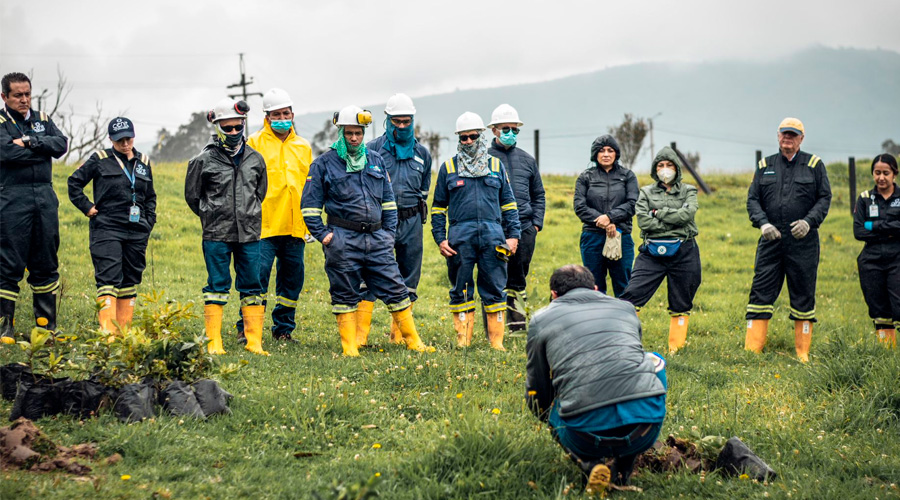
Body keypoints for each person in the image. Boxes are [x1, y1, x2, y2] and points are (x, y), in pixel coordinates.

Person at [301, 105, 431, 357]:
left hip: (377, 238)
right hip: (342, 239)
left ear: (363, 133)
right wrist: (325, 236)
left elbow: (389, 202)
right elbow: (309, 206)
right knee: (345, 291)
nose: (354, 138)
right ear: (340, 133)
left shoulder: (375, 160)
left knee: (396, 288)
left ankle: (413, 340)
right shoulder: (324, 164)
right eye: (349, 133)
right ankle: (350, 346)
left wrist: (388, 233)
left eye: (358, 133)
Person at [525, 264, 667, 494]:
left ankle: (590, 464)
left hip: (584, 436)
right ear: (595, 287)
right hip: (646, 427)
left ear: (553, 295)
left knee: (551, 400)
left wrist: (545, 415)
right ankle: (623, 468)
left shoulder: (541, 319)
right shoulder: (626, 308)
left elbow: (537, 385)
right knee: (655, 361)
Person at [185, 97, 268, 356]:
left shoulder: (256, 159)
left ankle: (254, 342)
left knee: (253, 287)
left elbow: (260, 192)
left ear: (243, 125)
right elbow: (192, 196)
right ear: (217, 127)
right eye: (227, 128)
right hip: (216, 234)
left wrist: (247, 214)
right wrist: (212, 216)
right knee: (217, 285)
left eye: (237, 127)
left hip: (250, 234)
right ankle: (214, 342)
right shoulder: (202, 160)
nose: (233, 133)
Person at [431, 111, 520, 349]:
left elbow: (509, 205)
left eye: (472, 136)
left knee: (495, 288)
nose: (468, 141)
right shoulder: (448, 168)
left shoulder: (495, 165)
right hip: (460, 237)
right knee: (461, 288)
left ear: (481, 136)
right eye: (463, 138)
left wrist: (513, 236)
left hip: (494, 236)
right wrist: (440, 238)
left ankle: (496, 343)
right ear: (458, 139)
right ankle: (463, 341)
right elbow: (438, 208)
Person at [745, 117, 831, 362]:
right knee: (760, 290)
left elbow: (824, 198)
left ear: (801, 139)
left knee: (803, 292)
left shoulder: (814, 165)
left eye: (793, 135)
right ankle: (753, 350)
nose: (788, 139)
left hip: (803, 243)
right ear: (778, 135)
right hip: (771, 241)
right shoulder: (765, 165)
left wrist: (809, 222)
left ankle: (802, 352)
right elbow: (753, 199)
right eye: (784, 134)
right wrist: (763, 224)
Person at [234, 88, 312, 343]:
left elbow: (309, 185)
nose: (282, 117)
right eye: (276, 114)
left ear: (292, 114)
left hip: (294, 226)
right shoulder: (254, 143)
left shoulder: (303, 146)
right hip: (263, 225)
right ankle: (247, 329)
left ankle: (283, 330)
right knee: (256, 278)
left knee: (292, 281)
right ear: (267, 117)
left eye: (285, 113)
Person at [68, 117, 156, 332]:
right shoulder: (100, 159)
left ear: (134, 137)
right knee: (109, 278)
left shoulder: (144, 161)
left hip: (136, 230)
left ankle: (123, 334)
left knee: (130, 279)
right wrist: (87, 207)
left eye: (128, 139)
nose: (125, 144)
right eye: (119, 141)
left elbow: (150, 196)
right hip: (107, 227)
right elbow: (74, 182)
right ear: (111, 139)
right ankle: (108, 334)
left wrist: (148, 221)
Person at [357, 94, 432, 346]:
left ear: (412, 121)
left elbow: (424, 190)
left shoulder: (423, 153)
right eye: (396, 121)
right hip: (378, 224)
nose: (401, 126)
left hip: (411, 221)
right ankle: (360, 337)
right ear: (387, 121)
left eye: (406, 121)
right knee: (368, 275)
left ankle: (399, 336)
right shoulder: (372, 150)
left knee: (409, 278)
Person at [0, 72, 69, 344]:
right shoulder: (1, 122)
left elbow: (61, 144)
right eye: (18, 95)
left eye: (27, 94)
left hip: (44, 195)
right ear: (4, 97)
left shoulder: (43, 119)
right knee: (9, 261)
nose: (24, 99)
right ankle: (6, 327)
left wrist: (30, 142)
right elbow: (5, 153)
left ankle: (46, 326)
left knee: (46, 260)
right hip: (11, 198)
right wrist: (41, 152)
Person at [620, 146, 700, 354]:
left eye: (669, 165)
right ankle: (628, 343)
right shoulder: (645, 192)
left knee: (682, 299)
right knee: (632, 294)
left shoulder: (689, 190)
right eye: (661, 165)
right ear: (655, 169)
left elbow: (687, 215)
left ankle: (676, 348)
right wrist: (671, 219)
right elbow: (644, 223)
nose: (665, 169)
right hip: (651, 251)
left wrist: (658, 213)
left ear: (677, 168)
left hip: (685, 250)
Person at [487, 104, 545, 332]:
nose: (510, 132)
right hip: (495, 228)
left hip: (525, 228)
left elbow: (538, 194)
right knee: (493, 279)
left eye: (514, 129)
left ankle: (518, 326)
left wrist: (536, 223)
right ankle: (494, 328)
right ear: (494, 130)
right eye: (505, 128)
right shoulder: (485, 158)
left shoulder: (528, 160)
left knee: (519, 279)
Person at [573, 135, 639, 297]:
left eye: (610, 150)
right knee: (594, 284)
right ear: (595, 154)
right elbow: (580, 207)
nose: (606, 154)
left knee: (623, 283)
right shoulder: (585, 177)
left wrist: (610, 217)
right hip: (592, 237)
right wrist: (603, 222)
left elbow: (632, 204)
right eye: (601, 151)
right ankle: (597, 320)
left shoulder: (628, 176)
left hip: (621, 235)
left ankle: (625, 320)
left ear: (616, 154)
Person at [853, 153, 899, 348]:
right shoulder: (864, 199)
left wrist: (875, 226)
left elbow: (868, 227)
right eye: (877, 172)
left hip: (897, 258)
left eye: (886, 173)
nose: (881, 177)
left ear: (894, 175)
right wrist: (891, 228)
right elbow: (859, 231)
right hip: (871, 259)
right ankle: (887, 352)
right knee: (878, 307)